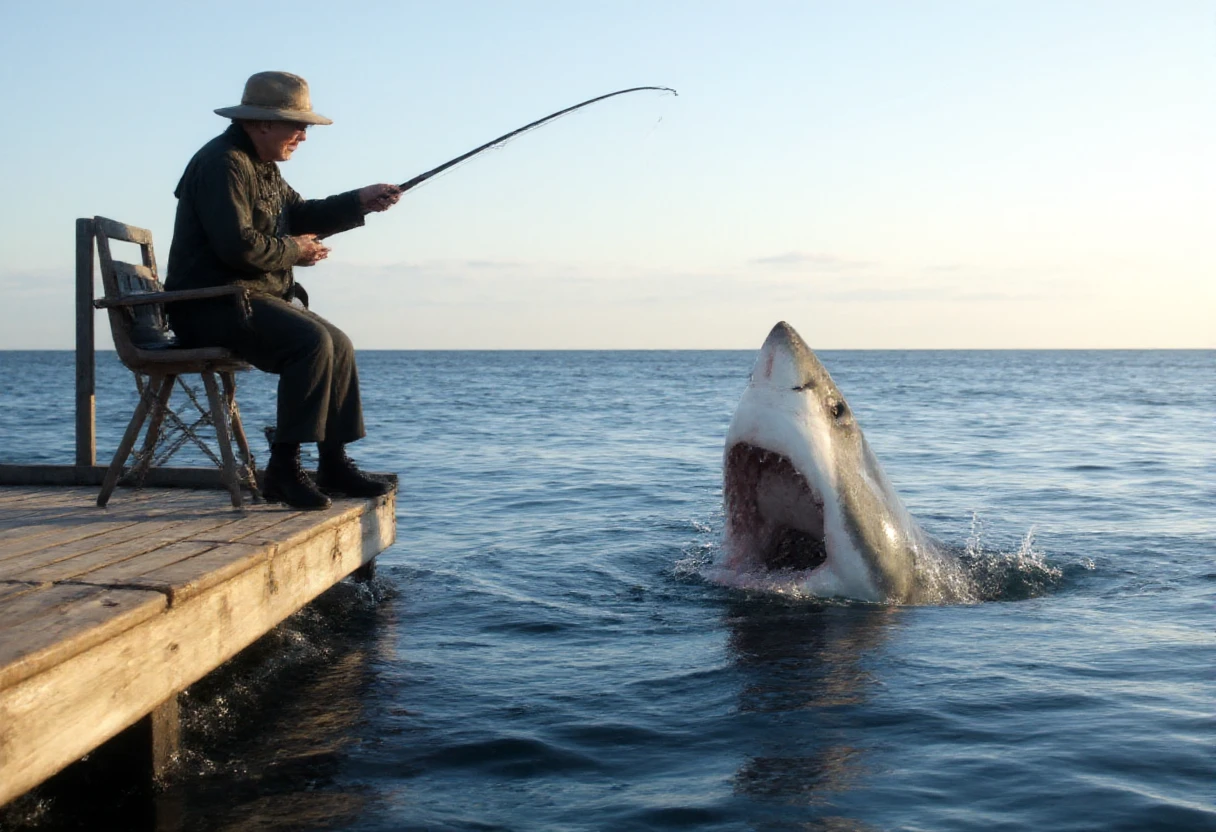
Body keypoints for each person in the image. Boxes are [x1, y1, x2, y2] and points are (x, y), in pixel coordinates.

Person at [165, 71, 401, 510]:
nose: (304, 136)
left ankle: (332, 462)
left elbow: (298, 215)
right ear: (261, 123)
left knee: (339, 343)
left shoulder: (263, 167)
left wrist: (359, 201)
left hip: (245, 299)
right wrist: (293, 251)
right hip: (207, 305)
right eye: (299, 125)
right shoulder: (224, 163)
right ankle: (284, 470)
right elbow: (237, 246)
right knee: (310, 342)